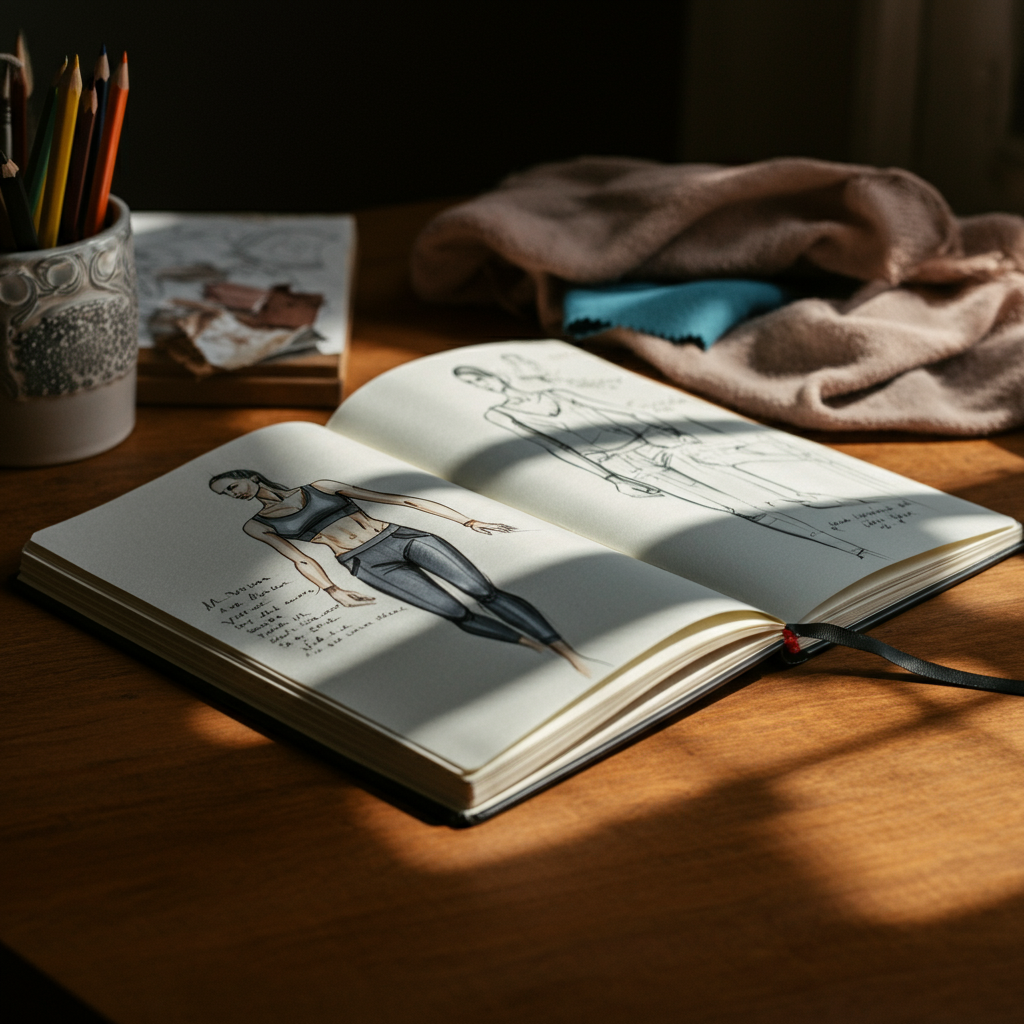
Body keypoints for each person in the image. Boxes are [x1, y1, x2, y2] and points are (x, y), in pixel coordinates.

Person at [454, 365, 877, 558]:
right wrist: (614, 478)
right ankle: (844, 546)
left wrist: (671, 432)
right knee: (730, 508)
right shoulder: (502, 414)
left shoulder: (555, 392)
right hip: (631, 465)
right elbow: (558, 448)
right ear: (479, 390)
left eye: (481, 376)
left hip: (656, 443)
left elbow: (613, 410)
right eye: (474, 383)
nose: (483, 382)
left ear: (495, 376)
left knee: (748, 474)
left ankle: (817, 499)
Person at [209, 469, 589, 674]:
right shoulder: (256, 525)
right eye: (226, 494)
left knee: (485, 592)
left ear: (251, 476)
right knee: (455, 614)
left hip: (400, 536)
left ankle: (567, 651)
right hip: (363, 563)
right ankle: (537, 649)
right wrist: (331, 590)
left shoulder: (320, 486)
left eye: (233, 485)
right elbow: (300, 558)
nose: (234, 494)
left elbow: (398, 499)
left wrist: (467, 520)